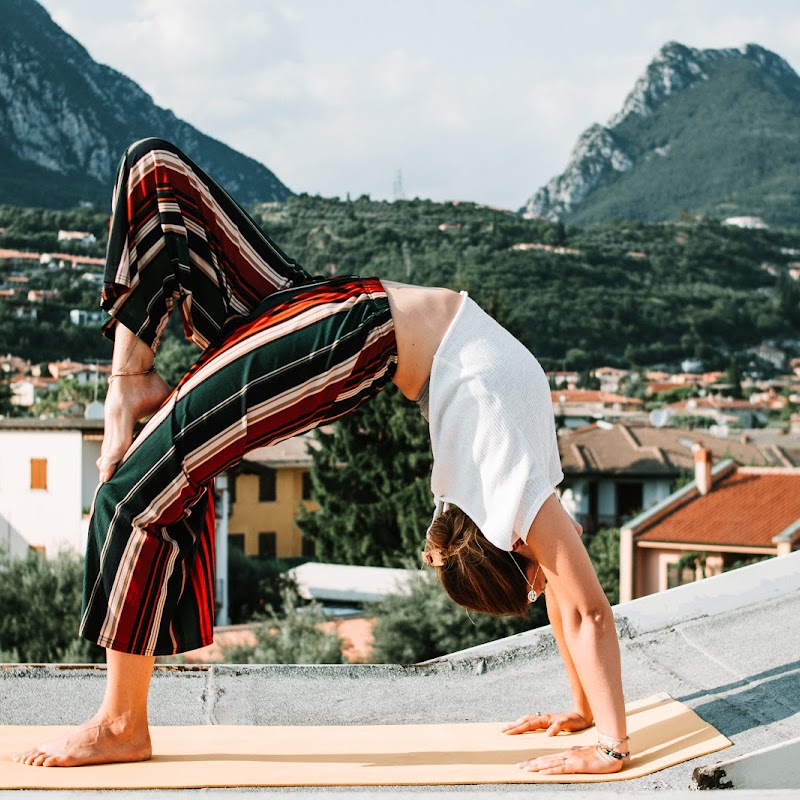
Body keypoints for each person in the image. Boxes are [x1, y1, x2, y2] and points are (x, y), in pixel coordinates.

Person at [14, 139, 628, 775]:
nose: (542, 580)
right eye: (532, 574)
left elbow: (564, 595)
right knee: (156, 177)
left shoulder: (511, 485)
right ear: (516, 548)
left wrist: (584, 708)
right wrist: (608, 741)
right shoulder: (510, 481)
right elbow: (585, 609)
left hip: (348, 315)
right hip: (347, 334)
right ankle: (128, 384)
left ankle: (121, 721)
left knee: (137, 485)